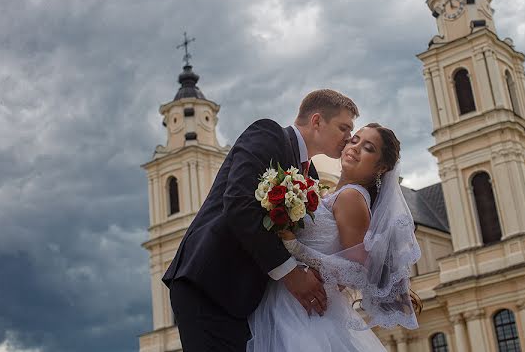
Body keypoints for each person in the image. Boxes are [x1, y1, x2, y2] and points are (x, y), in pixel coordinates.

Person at [162, 89, 359, 351]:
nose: (349, 138)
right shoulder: (268, 134)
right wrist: (290, 273)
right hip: (209, 284)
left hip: (248, 298)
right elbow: (239, 204)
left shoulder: (309, 173)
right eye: (344, 128)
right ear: (317, 121)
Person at [247, 123, 422, 351]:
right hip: (289, 300)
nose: (355, 147)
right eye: (355, 139)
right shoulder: (331, 194)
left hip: (303, 310)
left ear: (381, 168)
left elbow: (355, 272)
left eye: (368, 148)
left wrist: (294, 246)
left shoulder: (352, 197)